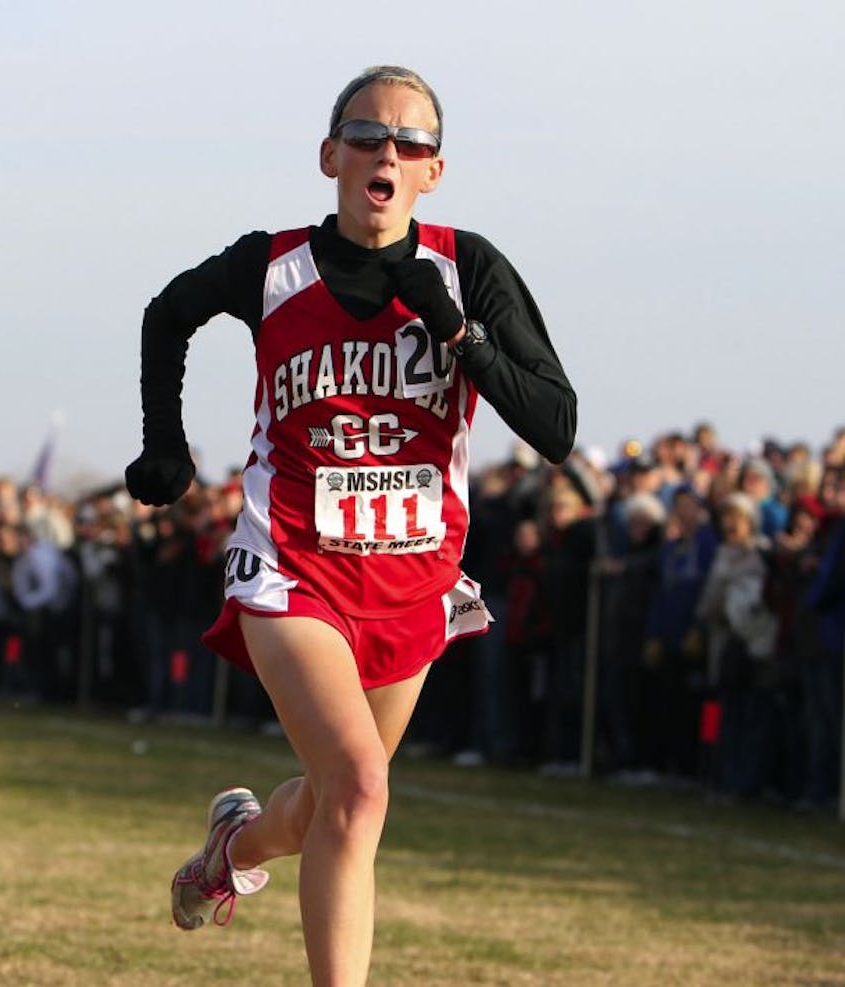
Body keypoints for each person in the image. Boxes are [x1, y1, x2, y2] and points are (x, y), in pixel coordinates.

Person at [125, 66, 576, 984]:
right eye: (368, 136)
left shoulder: (467, 267)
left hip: (414, 577)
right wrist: (164, 443)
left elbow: (556, 425)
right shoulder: (274, 264)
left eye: (410, 143)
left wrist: (455, 332)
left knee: (340, 799)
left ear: (434, 170)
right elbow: (166, 314)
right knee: (364, 786)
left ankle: (230, 849)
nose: (387, 153)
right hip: (291, 561)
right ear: (330, 155)